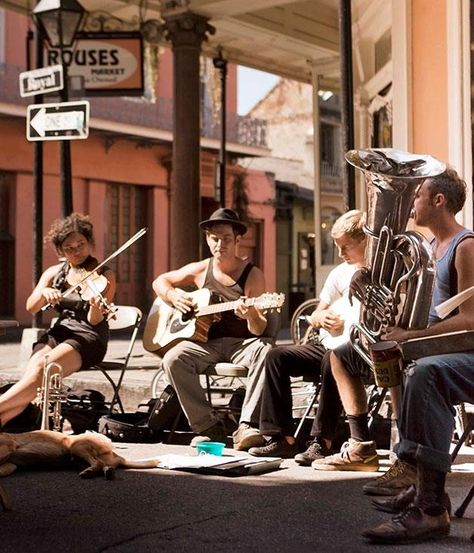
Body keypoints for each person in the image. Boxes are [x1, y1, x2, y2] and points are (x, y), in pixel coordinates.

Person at [313, 168, 474, 544]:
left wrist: (413, 335)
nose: (412, 203)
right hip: (441, 354)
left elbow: (471, 319)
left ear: (439, 201)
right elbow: (416, 308)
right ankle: (421, 487)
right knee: (375, 359)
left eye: (418, 196)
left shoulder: (465, 246)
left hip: (463, 353)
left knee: (425, 374)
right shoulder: (430, 249)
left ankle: (429, 505)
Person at [248, 210, 366, 460]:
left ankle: (321, 441)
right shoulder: (339, 273)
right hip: (332, 342)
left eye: (346, 246)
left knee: (333, 359)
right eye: (337, 247)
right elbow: (316, 314)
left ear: (365, 240)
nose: (340, 253)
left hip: (359, 350)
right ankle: (280, 437)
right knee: (276, 356)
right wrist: (319, 318)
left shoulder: (380, 270)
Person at [153, 207, 273, 449]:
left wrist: (250, 313)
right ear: (208, 240)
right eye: (214, 239)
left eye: (226, 239)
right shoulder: (200, 269)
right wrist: (173, 295)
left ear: (238, 240)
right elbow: (160, 281)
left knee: (267, 350)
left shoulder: (252, 274)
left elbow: (260, 329)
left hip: (242, 344)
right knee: (173, 358)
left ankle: (247, 426)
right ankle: (208, 426)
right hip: (204, 343)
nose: (220, 244)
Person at [0, 213, 116, 427]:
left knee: (44, 367)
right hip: (61, 332)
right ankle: (5, 420)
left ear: (89, 243)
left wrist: (95, 304)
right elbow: (31, 306)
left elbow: (94, 319)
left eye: (80, 244)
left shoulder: (104, 274)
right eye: (69, 248)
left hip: (88, 336)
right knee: (33, 370)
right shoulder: (55, 273)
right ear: (60, 251)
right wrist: (45, 291)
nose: (76, 251)